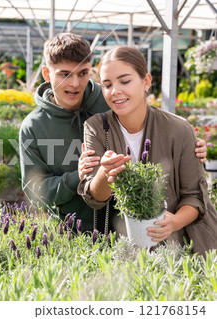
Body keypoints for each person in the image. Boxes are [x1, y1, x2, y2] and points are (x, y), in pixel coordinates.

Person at [19, 33, 208, 234]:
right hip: (75, 232)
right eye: (65, 74)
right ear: (47, 74)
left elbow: (148, 122)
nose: (75, 83)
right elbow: (36, 192)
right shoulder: (33, 126)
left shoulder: (110, 96)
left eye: (82, 73)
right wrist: (79, 177)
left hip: (131, 230)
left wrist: (185, 143)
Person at [78, 46, 216, 254]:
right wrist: (105, 173)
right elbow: (95, 198)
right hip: (130, 248)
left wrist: (174, 222)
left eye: (125, 81)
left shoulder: (179, 129)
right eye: (107, 85)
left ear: (146, 81)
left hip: (184, 245)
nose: (115, 91)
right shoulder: (96, 127)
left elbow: (195, 197)